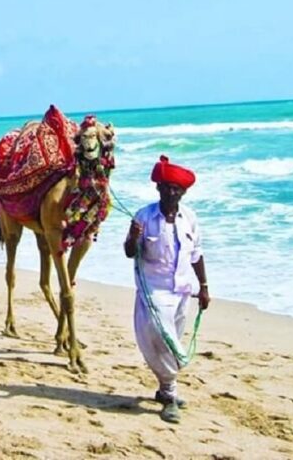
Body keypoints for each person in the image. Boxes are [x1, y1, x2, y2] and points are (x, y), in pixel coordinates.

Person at [124, 155, 210, 425]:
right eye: (167, 187)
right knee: (161, 339)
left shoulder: (190, 218)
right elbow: (129, 252)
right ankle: (171, 395)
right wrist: (134, 236)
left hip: (183, 290)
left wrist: (204, 287)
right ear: (158, 189)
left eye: (177, 189)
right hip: (154, 291)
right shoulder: (144, 216)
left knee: (172, 345)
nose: (171, 193)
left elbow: (197, 255)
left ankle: (163, 390)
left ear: (183, 192)